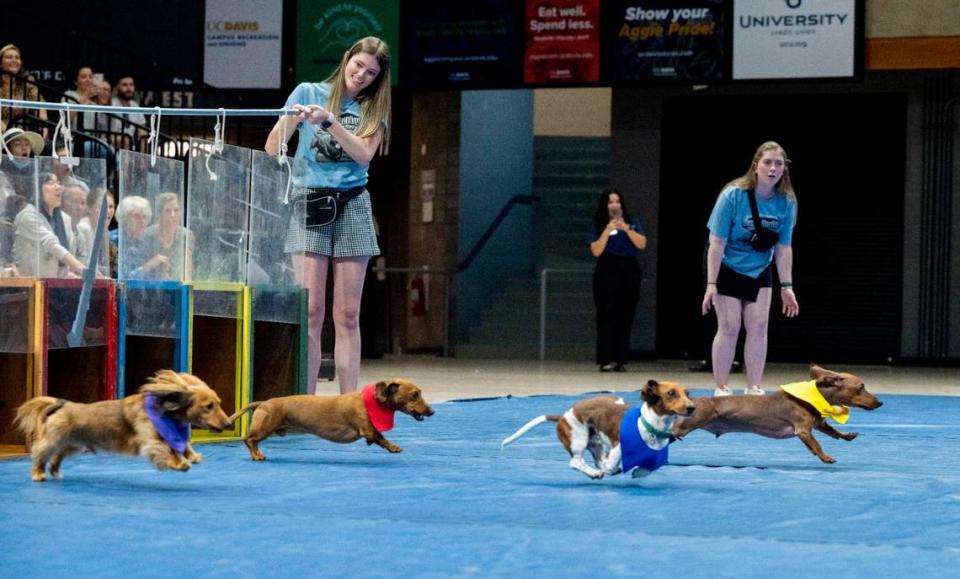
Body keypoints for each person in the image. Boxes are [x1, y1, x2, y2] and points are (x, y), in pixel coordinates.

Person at [265, 36, 391, 395]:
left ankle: (350, 404)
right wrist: (293, 120)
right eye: (358, 66)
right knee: (310, 312)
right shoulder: (307, 91)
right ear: (347, 58)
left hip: (352, 204)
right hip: (309, 202)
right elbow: (273, 146)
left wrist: (330, 121)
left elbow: (364, 155)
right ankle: (306, 403)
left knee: (348, 315)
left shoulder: (373, 107)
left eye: (371, 73)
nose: (362, 75)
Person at [701, 141, 800, 396]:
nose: (773, 168)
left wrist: (787, 286)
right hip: (727, 264)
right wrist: (711, 285)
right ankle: (721, 387)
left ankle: (754, 387)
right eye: (767, 162)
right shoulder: (733, 195)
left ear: (784, 169)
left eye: (779, 164)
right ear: (756, 166)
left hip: (760, 268)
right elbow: (716, 243)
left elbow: (783, 247)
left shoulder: (787, 203)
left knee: (758, 326)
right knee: (730, 326)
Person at [587, 187, 647, 372]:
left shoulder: (632, 221)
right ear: (605, 205)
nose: (614, 205)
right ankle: (605, 358)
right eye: (611, 202)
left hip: (628, 268)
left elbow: (642, 244)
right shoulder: (597, 224)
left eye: (617, 201)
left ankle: (621, 358)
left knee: (626, 313)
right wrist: (608, 229)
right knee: (606, 313)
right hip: (607, 268)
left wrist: (626, 229)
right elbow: (596, 250)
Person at [13, 172, 87, 278]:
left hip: (52, 285)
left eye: (58, 182)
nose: (58, 187)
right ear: (37, 188)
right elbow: (52, 244)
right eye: (51, 182)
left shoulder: (63, 219)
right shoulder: (27, 216)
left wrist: (70, 275)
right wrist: (81, 268)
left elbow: (59, 264)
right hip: (28, 286)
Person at [142, 192, 193, 281]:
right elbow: (140, 269)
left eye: (176, 210)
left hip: (178, 288)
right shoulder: (148, 234)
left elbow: (188, 271)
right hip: (151, 287)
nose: (173, 215)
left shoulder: (186, 235)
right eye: (168, 211)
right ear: (159, 213)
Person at [0, 44, 48, 133]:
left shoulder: (27, 82)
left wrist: (43, 126)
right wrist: (9, 134)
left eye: (17, 58)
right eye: (9, 57)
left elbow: (40, 104)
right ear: (0, 63)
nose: (14, 60)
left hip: (23, 134)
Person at [110, 75, 147, 150]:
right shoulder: (111, 103)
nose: (129, 88)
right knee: (125, 139)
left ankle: (143, 160)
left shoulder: (134, 105)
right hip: (110, 141)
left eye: (131, 85)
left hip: (129, 144)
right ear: (117, 87)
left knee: (144, 135)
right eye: (125, 85)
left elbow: (141, 127)